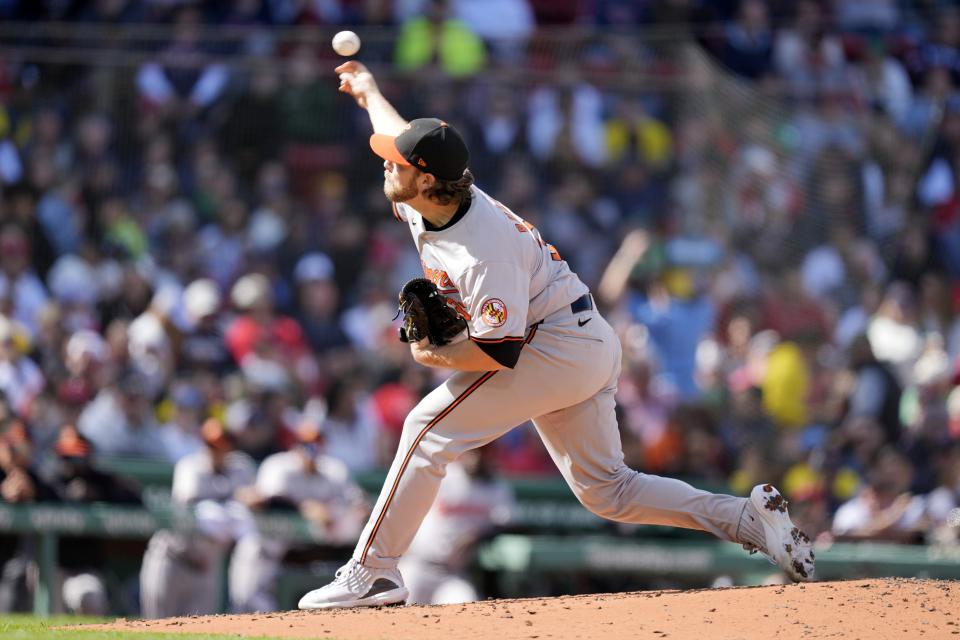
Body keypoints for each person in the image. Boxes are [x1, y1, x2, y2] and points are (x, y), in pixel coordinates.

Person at [297, 61, 816, 610]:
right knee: (609, 490)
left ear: (426, 179)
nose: (385, 164)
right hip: (582, 337)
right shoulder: (428, 196)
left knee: (426, 430)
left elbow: (499, 351)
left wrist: (432, 352)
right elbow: (404, 136)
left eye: (395, 162)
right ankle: (747, 520)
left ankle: (373, 572)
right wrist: (370, 90)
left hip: (552, 344)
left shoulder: (481, 249)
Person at [139, 418, 256, 618]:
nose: (218, 450)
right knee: (156, 627)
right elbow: (190, 507)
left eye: (223, 444)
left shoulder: (242, 467)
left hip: (207, 566)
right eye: (212, 445)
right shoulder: (190, 467)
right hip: (174, 559)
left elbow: (252, 499)